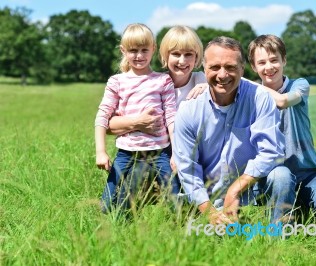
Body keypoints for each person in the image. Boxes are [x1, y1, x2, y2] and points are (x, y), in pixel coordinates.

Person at [172, 36, 297, 225]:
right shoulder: (188, 110)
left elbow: (271, 152)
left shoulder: (260, 98)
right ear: (204, 69)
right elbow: (188, 169)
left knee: (282, 175)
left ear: (242, 69)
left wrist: (236, 189)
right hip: (208, 196)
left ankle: (277, 238)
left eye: (230, 67)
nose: (222, 75)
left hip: (253, 190)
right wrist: (210, 212)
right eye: (215, 67)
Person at [247, 34, 316, 222]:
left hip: (307, 171)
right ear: (254, 67)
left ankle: (302, 209)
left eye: (274, 60)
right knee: (281, 178)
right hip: (271, 173)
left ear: (284, 60)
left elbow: (282, 101)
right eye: (262, 62)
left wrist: (244, 82)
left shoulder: (299, 85)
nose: (269, 67)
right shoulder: (249, 95)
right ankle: (280, 233)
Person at [107, 25, 207, 194]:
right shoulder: (153, 84)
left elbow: (236, 85)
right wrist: (138, 123)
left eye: (188, 54)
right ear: (164, 55)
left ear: (197, 57)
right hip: (160, 151)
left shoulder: (200, 80)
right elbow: (109, 126)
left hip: (198, 152)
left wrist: (209, 88)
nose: (182, 61)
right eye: (176, 54)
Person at [94, 23, 176, 213]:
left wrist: (176, 153)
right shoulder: (117, 82)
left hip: (159, 153)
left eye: (144, 50)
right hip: (127, 154)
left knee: (177, 202)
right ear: (123, 50)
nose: (139, 56)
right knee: (107, 208)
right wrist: (101, 151)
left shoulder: (162, 80)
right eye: (133, 50)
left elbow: (172, 118)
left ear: (153, 49)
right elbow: (102, 116)